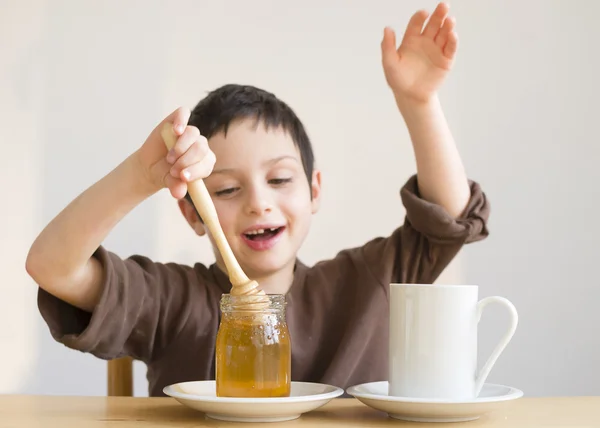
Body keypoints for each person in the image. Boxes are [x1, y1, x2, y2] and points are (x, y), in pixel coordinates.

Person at [26, 2, 490, 396]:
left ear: (314, 192)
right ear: (192, 212)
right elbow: (53, 266)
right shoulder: (171, 301)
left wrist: (419, 103)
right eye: (227, 189)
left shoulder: (365, 283)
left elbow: (447, 219)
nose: (258, 203)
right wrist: (140, 177)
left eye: (281, 180)